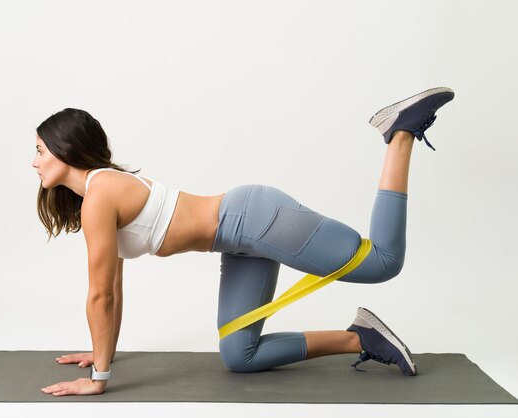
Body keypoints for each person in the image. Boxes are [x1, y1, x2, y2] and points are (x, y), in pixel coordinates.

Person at [34, 87, 455, 396]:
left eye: (39, 150)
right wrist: (101, 352)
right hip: (237, 243)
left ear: (64, 148)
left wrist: (98, 380)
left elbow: (100, 295)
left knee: (382, 262)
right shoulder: (99, 192)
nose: (33, 162)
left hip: (253, 218)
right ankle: (362, 337)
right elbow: (113, 289)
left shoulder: (100, 194)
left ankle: (399, 135)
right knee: (240, 355)